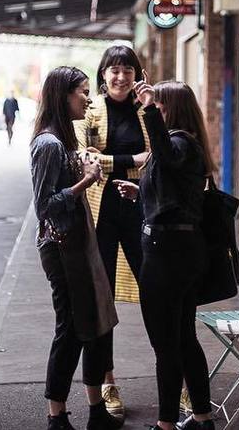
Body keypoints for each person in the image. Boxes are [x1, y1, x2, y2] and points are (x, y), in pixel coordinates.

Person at [113, 80, 215, 430]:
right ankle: (202, 417)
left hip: (167, 255)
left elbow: (167, 159)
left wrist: (148, 107)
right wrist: (139, 194)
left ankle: (166, 424)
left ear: (169, 107)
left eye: (159, 104)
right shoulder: (183, 146)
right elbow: (173, 195)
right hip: (179, 250)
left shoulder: (179, 143)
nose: (153, 108)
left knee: (166, 344)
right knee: (183, 338)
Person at [31, 66, 122, 430]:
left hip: (80, 243)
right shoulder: (48, 143)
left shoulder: (64, 141)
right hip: (62, 247)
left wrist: (80, 163)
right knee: (70, 328)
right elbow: (44, 206)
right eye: (83, 91)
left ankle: (96, 410)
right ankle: (57, 416)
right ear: (62, 95)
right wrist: (85, 181)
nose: (89, 98)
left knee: (97, 323)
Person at [73, 46, 151, 420]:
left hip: (141, 213)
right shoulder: (90, 111)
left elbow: (154, 155)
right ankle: (108, 382)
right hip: (101, 215)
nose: (120, 77)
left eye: (127, 70)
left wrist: (106, 159)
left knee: (158, 296)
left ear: (138, 74)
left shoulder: (146, 110)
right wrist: (128, 161)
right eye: (114, 70)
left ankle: (180, 380)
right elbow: (81, 158)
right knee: (100, 303)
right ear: (103, 74)